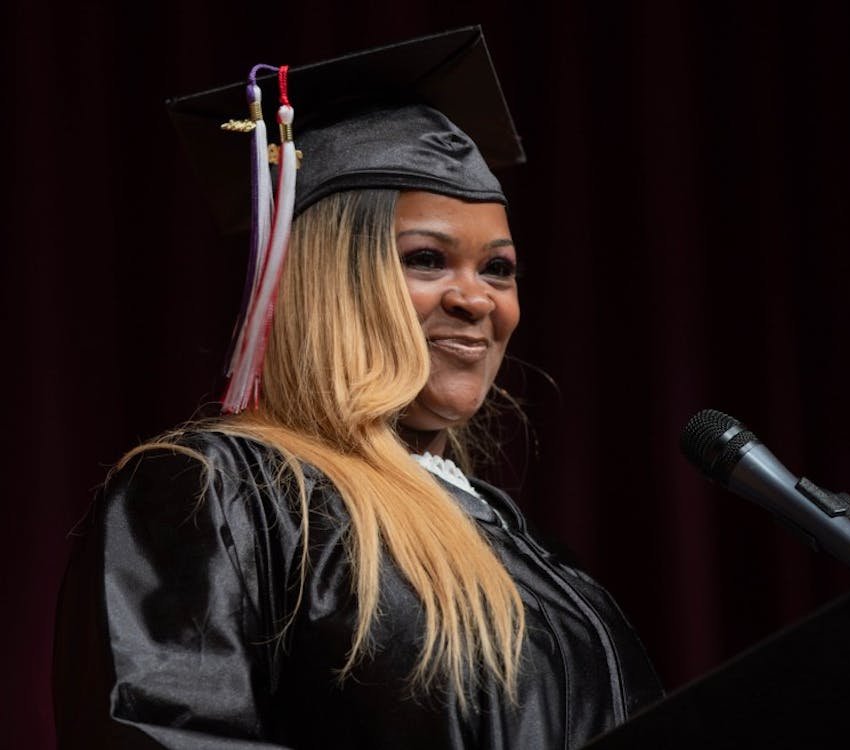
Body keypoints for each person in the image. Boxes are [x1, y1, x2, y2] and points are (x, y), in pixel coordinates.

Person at [53, 26, 664, 749]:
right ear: (329, 281)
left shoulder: (520, 540)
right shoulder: (225, 494)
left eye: (498, 269)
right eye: (428, 259)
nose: (477, 300)